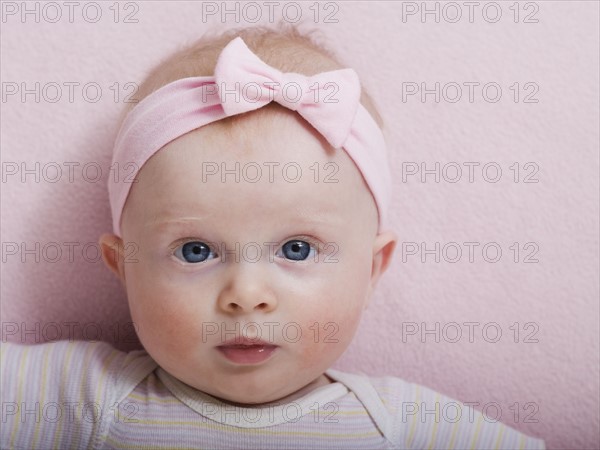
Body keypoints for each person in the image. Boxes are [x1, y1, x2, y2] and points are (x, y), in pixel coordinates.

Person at [1, 24, 546, 449]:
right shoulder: (86, 398)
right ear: (123, 266)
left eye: (297, 249)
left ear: (371, 268)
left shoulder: (404, 424)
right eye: (197, 251)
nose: (247, 294)